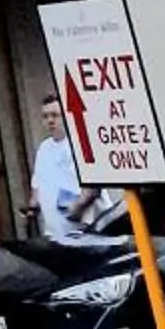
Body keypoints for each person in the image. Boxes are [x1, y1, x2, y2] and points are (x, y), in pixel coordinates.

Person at [30, 96, 101, 246]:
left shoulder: (80, 145)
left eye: (55, 115)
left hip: (83, 231)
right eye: (45, 116)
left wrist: (75, 211)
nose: (50, 120)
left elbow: (92, 189)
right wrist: (32, 206)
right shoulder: (44, 148)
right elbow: (37, 184)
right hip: (54, 233)